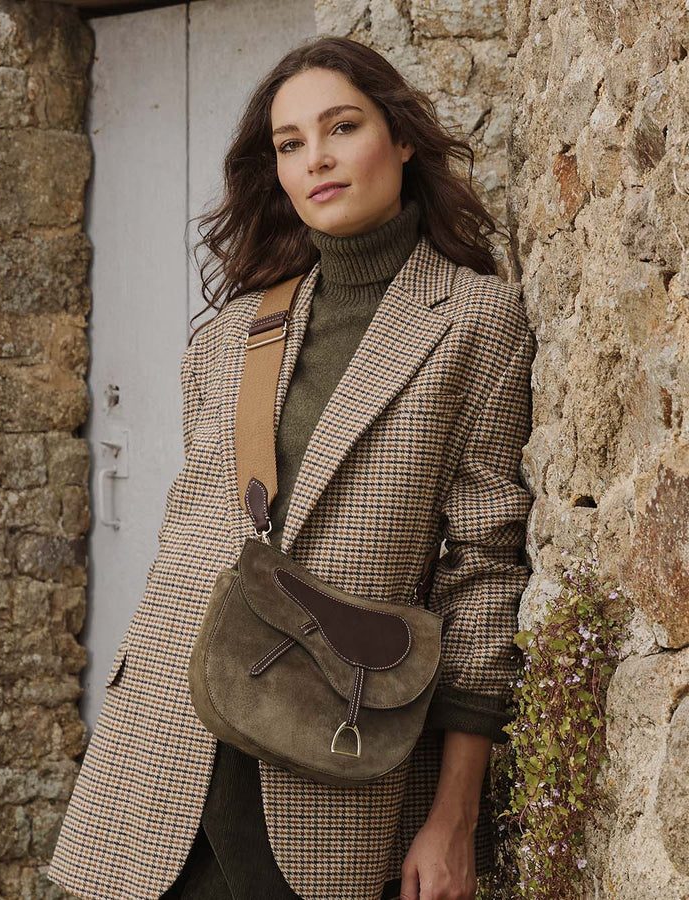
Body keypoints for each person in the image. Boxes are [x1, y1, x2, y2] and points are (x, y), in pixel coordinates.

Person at [47, 35, 535, 900]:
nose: (317, 159)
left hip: (336, 767)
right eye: (290, 144)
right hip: (164, 749)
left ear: (403, 138)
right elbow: (190, 535)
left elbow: (484, 576)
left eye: (341, 127)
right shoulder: (230, 334)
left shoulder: (475, 319)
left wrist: (455, 816)